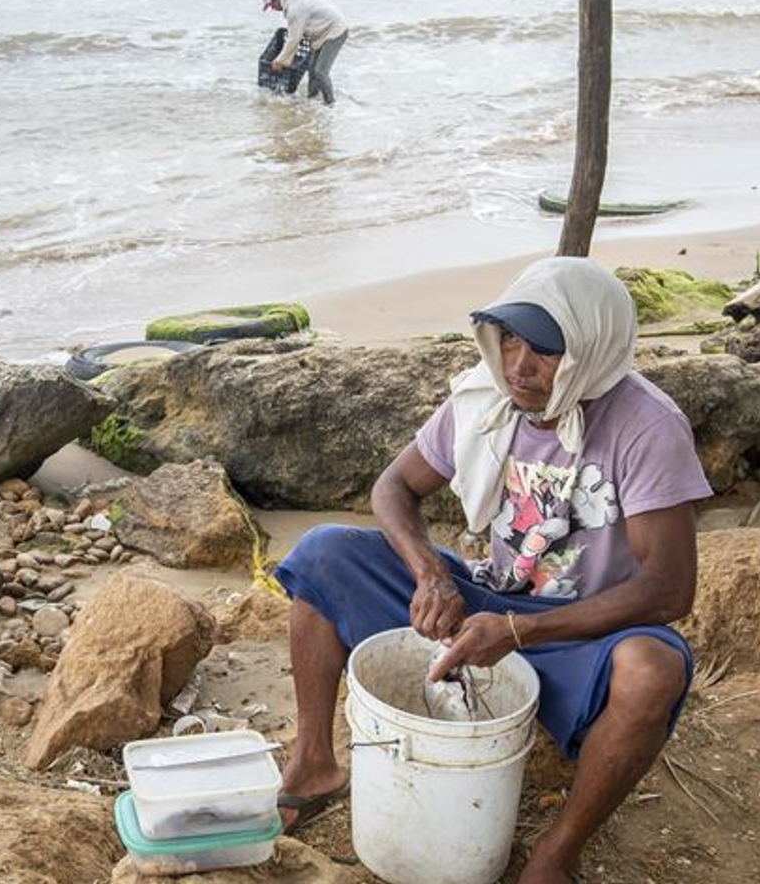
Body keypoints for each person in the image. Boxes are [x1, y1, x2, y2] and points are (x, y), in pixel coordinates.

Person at [271, 257, 712, 884]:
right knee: (323, 554)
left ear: (591, 347)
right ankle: (314, 761)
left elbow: (670, 588)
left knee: (652, 671)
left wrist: (519, 632)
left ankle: (555, 856)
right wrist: (430, 574)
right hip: (489, 601)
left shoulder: (646, 426)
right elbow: (394, 487)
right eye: (509, 340)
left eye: (545, 350)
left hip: (585, 632)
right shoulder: (488, 398)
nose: (518, 366)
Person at [265, 0, 349, 105]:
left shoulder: (295, 7)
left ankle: (330, 104)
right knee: (312, 69)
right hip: (322, 32)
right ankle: (312, 101)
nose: (272, 9)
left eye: (271, 5)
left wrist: (280, 61)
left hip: (335, 32)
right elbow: (299, 29)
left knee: (320, 72)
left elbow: (294, 38)